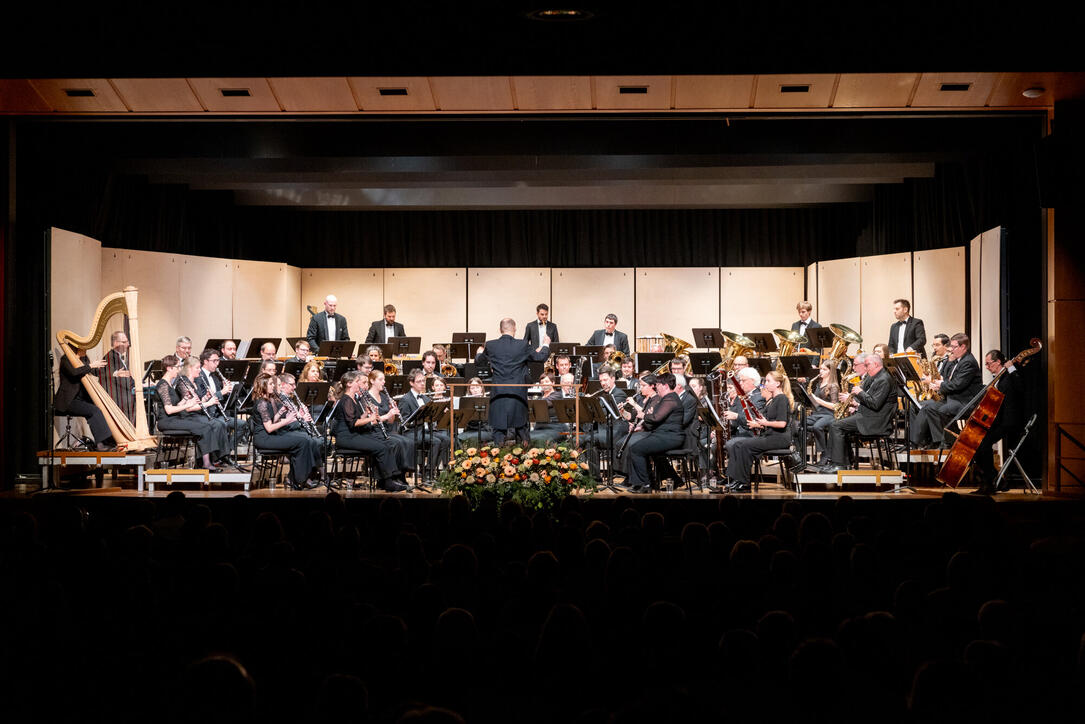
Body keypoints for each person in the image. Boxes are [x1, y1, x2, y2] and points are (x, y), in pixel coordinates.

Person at [474, 317, 550, 447]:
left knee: (498, 434)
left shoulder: (491, 345)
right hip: (518, 395)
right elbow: (541, 357)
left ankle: (498, 461)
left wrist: (479, 353)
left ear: (500, 330)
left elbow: (479, 362)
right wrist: (546, 344)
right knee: (522, 432)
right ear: (514, 329)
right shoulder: (523, 345)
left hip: (498, 396)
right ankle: (526, 462)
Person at [819, 353, 896, 472]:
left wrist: (860, 393)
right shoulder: (874, 377)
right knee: (836, 424)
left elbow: (875, 404)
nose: (866, 367)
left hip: (875, 421)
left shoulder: (884, 380)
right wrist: (854, 403)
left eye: (867, 365)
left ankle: (839, 465)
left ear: (876, 364)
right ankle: (843, 462)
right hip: (868, 416)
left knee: (836, 426)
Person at [332, 371, 406, 492]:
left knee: (385, 444)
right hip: (346, 438)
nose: (359, 384)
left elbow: (357, 419)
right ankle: (388, 481)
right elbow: (353, 423)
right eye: (357, 382)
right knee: (381, 448)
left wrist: (366, 414)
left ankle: (388, 479)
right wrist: (371, 418)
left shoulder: (352, 399)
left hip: (353, 435)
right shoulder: (346, 400)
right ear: (350, 384)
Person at [723, 370, 794, 492]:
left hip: (779, 438)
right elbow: (767, 421)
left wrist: (764, 423)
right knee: (737, 444)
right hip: (770, 435)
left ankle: (744, 483)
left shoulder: (781, 398)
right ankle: (736, 479)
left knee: (745, 445)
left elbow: (782, 423)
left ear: (777, 383)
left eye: (768, 381)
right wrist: (757, 424)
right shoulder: (772, 400)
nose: (765, 384)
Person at [909, 332, 983, 449]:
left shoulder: (968, 362)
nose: (951, 349)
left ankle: (944, 443)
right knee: (927, 407)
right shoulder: (957, 360)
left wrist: (940, 385)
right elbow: (947, 377)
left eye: (954, 347)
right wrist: (940, 382)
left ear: (963, 347)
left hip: (964, 401)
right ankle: (925, 442)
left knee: (939, 409)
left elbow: (957, 384)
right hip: (953, 397)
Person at [249, 373, 323, 489]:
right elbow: (269, 428)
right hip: (264, 438)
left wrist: (280, 412)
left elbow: (272, 420)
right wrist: (287, 420)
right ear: (263, 386)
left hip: (270, 436)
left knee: (304, 439)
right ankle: (301, 479)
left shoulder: (268, 400)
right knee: (302, 442)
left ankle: (297, 478)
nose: (273, 386)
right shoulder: (262, 403)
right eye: (270, 384)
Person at [155, 355, 228, 470]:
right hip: (166, 421)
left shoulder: (169, 384)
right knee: (205, 428)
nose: (179, 369)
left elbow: (177, 405)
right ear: (169, 368)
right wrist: (188, 404)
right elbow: (168, 410)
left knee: (206, 426)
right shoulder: (163, 384)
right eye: (177, 367)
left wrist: (185, 400)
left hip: (175, 419)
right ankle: (206, 464)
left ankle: (207, 462)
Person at [972, 350, 1027, 494]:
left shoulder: (1009, 375)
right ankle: (996, 480)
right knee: (977, 443)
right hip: (997, 419)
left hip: (1009, 420)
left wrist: (1011, 368)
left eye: (989, 364)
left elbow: (1021, 388)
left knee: (984, 443)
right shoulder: (998, 378)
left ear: (998, 362)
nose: (987, 367)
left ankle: (989, 483)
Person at [625, 373, 685, 494]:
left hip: (671, 437)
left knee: (636, 449)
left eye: (658, 385)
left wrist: (644, 415)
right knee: (643, 449)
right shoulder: (666, 399)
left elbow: (656, 418)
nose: (656, 387)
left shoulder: (671, 398)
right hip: (663, 435)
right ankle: (671, 480)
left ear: (666, 386)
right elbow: (656, 419)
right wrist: (643, 424)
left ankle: (645, 483)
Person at [55, 348, 115, 451]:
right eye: (84, 347)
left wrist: (114, 374)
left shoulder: (84, 359)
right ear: (77, 348)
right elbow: (74, 372)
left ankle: (107, 442)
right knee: (94, 411)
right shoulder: (65, 359)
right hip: (69, 401)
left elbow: (93, 371)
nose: (86, 350)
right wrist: (91, 365)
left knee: (101, 408)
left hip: (82, 399)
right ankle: (100, 445)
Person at [398, 368, 451, 479]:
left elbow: (433, 417)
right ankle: (428, 473)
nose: (422, 384)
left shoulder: (426, 398)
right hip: (411, 432)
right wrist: (421, 419)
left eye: (423, 381)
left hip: (424, 430)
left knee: (446, 439)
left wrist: (441, 412)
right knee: (435, 441)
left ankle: (436, 470)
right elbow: (405, 422)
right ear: (411, 383)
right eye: (419, 381)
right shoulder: (405, 399)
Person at [366, 370, 415, 477]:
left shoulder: (384, 397)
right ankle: (393, 476)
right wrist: (388, 414)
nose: (384, 382)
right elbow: (372, 421)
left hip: (387, 430)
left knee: (408, 441)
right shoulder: (367, 397)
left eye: (384, 379)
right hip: (374, 432)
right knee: (397, 443)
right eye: (380, 379)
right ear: (372, 381)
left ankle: (404, 473)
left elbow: (391, 421)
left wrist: (392, 411)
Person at [806, 360, 841, 467]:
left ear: (831, 372)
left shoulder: (833, 386)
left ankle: (825, 454)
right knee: (800, 423)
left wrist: (818, 400)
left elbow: (835, 406)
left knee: (817, 427)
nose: (821, 371)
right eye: (820, 369)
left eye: (824, 369)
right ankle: (800, 455)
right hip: (817, 414)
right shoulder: (818, 383)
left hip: (829, 415)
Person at [96, 330, 136, 424]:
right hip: (117, 401)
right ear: (115, 343)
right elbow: (111, 378)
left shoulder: (116, 357)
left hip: (122, 398)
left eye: (127, 341)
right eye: (124, 342)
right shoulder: (110, 357)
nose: (128, 344)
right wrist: (136, 386)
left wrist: (140, 384)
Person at [724, 366, 766, 438]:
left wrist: (736, 416)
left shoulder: (759, 397)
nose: (740, 383)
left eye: (743, 381)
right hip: (737, 432)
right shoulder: (740, 396)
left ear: (752, 381)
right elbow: (733, 416)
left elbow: (754, 420)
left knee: (730, 444)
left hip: (750, 434)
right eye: (740, 381)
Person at [457, 377, 493, 447]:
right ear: (469, 390)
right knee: (457, 438)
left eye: (477, 387)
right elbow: (463, 421)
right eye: (472, 388)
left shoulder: (488, 401)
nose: (475, 390)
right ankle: (463, 457)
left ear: (481, 388)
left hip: (486, 430)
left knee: (470, 438)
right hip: (471, 429)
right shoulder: (466, 402)